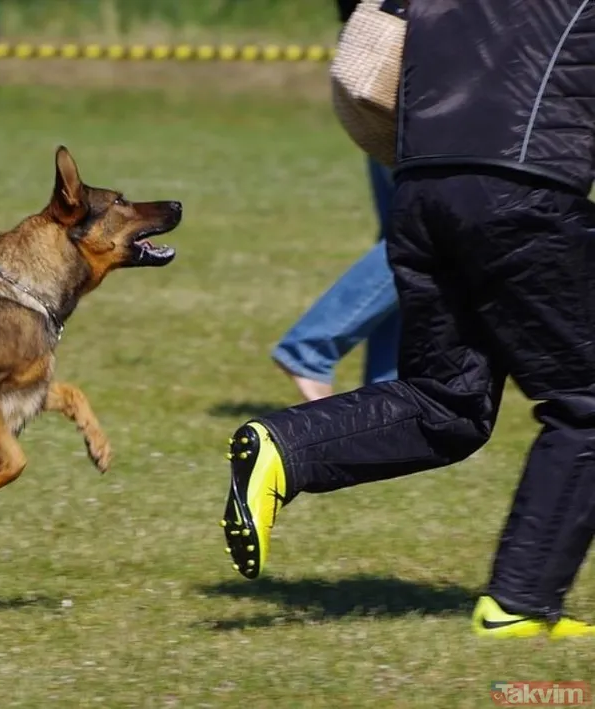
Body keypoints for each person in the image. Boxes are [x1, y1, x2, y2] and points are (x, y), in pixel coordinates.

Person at [220, 0, 595, 639]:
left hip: (420, 190)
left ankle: (286, 449)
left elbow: (365, 43)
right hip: (522, 190)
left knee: (447, 402)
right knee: (586, 402)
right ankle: (521, 604)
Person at [271, 156, 400, 402]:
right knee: (424, 238)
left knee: (406, 237)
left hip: (396, 126)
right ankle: (311, 348)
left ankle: (384, 396)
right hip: (444, 132)